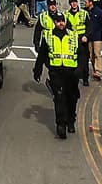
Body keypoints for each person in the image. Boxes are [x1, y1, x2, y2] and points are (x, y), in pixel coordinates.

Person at [33, 10, 79, 139]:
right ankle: (61, 125)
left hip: (71, 73)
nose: (61, 23)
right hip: (56, 72)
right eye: (58, 21)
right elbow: (42, 55)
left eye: (62, 21)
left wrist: (80, 70)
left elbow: (81, 53)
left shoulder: (73, 36)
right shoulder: (48, 37)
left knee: (72, 98)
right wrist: (37, 70)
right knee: (59, 98)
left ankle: (71, 121)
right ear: (54, 22)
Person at [83, 0, 102, 81]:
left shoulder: (98, 12)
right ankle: (94, 69)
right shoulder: (84, 12)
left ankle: (98, 71)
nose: (84, 3)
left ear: (91, 2)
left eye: (86, 2)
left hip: (97, 36)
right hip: (88, 37)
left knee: (97, 53)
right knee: (91, 55)